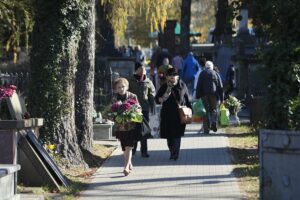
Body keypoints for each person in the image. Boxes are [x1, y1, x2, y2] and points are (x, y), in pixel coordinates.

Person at [155, 68, 192, 160]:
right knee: (169, 136)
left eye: (173, 76)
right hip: (167, 114)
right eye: (170, 76)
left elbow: (187, 99)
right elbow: (157, 98)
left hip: (179, 114)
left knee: (177, 135)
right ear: (167, 77)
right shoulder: (164, 86)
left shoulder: (182, 85)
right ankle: (172, 150)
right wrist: (160, 99)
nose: (172, 77)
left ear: (177, 76)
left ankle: (175, 153)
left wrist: (190, 110)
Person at [129, 62, 156, 158]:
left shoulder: (148, 81)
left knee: (144, 130)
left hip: (144, 108)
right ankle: (133, 149)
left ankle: (144, 151)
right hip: (134, 109)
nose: (143, 70)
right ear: (136, 70)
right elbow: (126, 93)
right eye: (141, 68)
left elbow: (152, 92)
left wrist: (152, 102)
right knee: (135, 129)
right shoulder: (130, 80)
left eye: (144, 68)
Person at [112, 78, 138, 176]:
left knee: (129, 146)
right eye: (119, 87)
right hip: (120, 127)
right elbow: (111, 111)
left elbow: (137, 109)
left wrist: (131, 114)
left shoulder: (132, 96)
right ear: (116, 89)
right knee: (124, 146)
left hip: (131, 126)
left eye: (123, 87)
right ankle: (129, 162)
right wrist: (115, 116)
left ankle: (126, 166)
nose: (121, 89)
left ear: (127, 87)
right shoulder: (114, 98)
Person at [195, 61, 224, 134]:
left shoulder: (202, 73)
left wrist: (197, 96)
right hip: (214, 95)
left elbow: (199, 86)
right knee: (214, 109)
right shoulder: (216, 74)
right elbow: (220, 87)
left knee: (206, 111)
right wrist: (222, 98)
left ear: (205, 66)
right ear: (212, 67)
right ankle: (213, 121)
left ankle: (206, 129)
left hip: (204, 95)